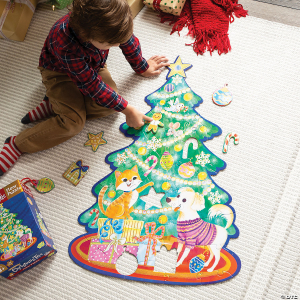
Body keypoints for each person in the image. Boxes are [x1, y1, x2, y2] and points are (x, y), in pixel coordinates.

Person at [0, 0, 169, 176]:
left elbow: (127, 40)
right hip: (59, 74)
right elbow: (92, 86)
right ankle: (18, 144)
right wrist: (128, 109)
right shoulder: (65, 41)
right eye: (110, 44)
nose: (116, 46)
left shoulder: (112, 21)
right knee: (74, 123)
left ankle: (55, 105)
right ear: (87, 35)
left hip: (92, 68)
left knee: (109, 106)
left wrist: (142, 66)